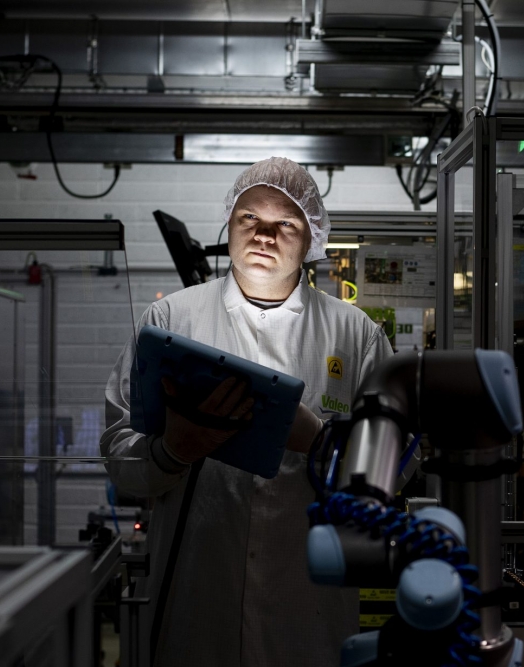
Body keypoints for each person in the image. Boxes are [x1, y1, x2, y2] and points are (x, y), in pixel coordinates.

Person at [100, 157, 401, 667]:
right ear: (229, 224)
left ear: (311, 240)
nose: (263, 234)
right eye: (249, 219)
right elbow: (118, 451)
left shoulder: (357, 336)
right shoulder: (173, 319)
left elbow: (398, 465)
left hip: (308, 609)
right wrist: (173, 451)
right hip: (197, 601)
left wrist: (321, 443)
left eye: (284, 223)